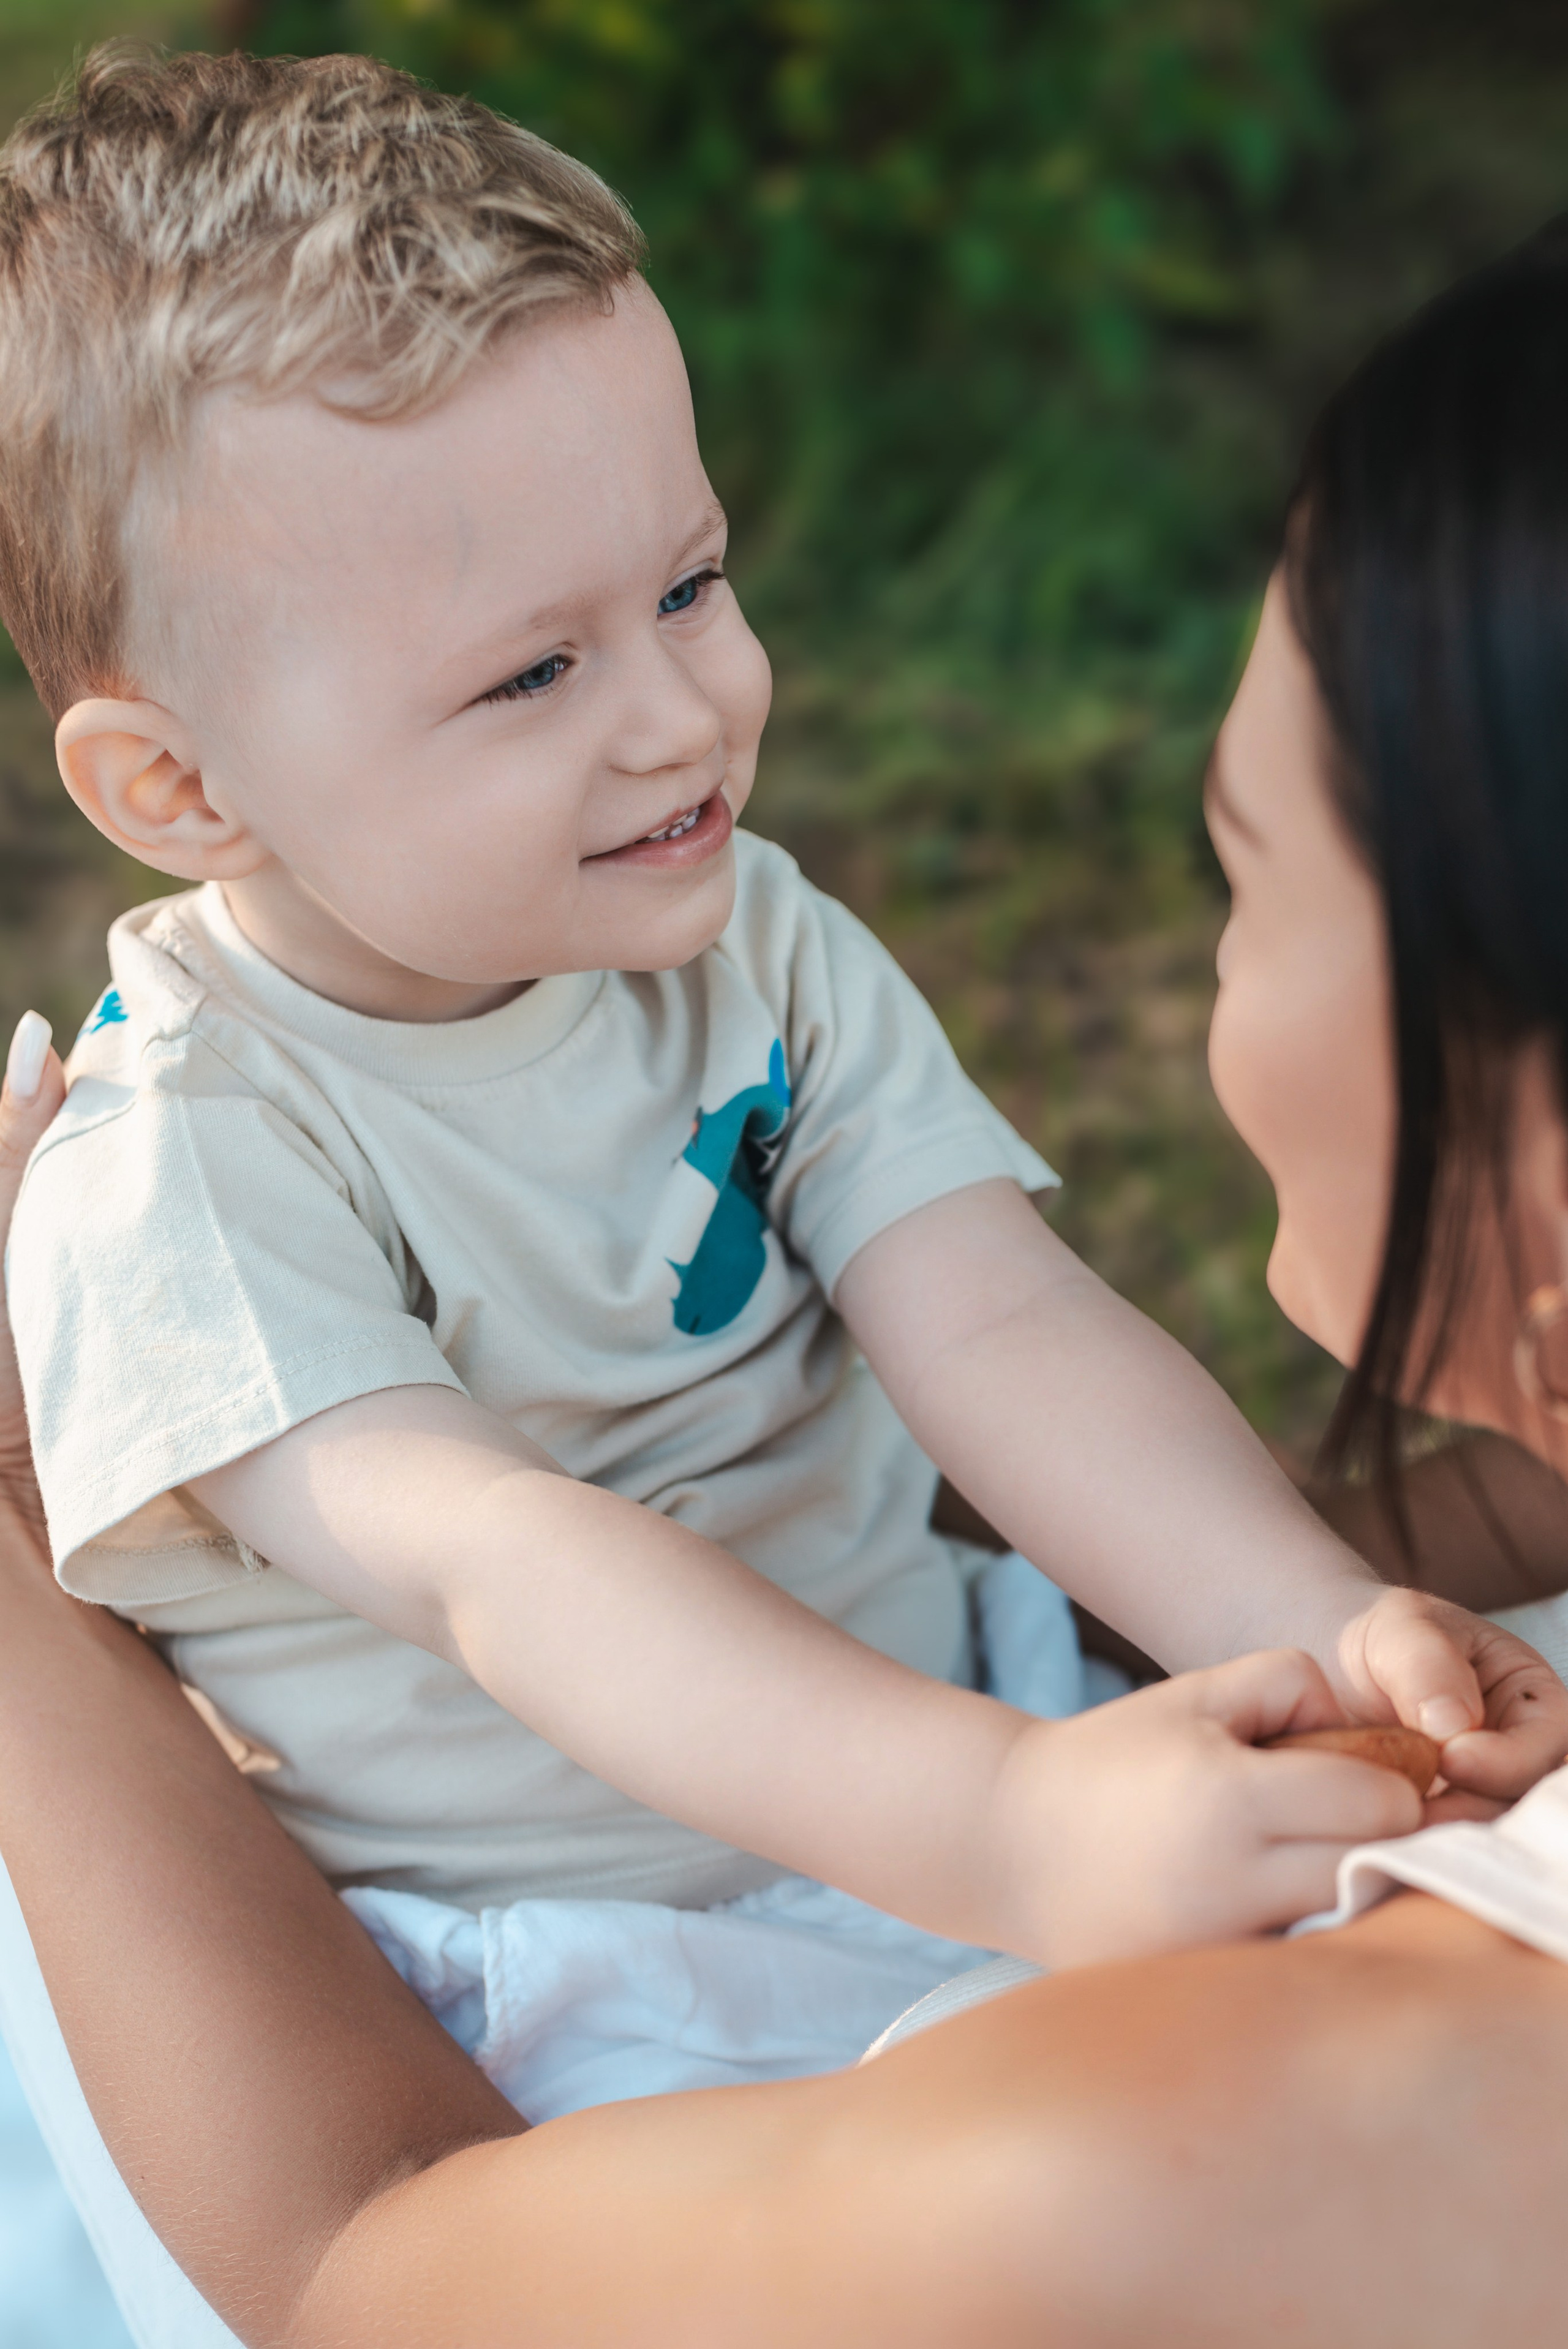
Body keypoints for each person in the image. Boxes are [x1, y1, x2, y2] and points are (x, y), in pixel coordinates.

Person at [12, 175, 1568, 2349]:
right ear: (177, 781)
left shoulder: (750, 942)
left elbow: (996, 1313)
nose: (679, 715)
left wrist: (1309, 1624)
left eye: (693, 582)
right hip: (554, 1928)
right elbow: (497, 1556)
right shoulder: (182, 1159)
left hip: (948, 1713)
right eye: (536, 668)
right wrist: (1006, 1825)